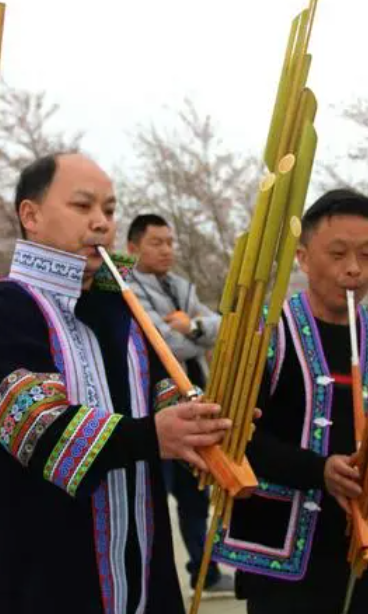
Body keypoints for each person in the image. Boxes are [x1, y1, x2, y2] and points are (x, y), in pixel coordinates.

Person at [0, 152, 233, 613]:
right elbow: (38, 429)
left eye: (108, 210)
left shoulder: (121, 310)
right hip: (42, 581)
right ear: (30, 214)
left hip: (143, 570)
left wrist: (209, 420)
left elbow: (166, 394)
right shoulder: (4, 309)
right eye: (82, 207)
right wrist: (155, 434)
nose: (101, 223)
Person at [211, 190, 368, 614]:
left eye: (367, 255)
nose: (354, 269)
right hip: (282, 563)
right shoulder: (266, 335)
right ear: (302, 257)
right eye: (337, 254)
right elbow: (234, 437)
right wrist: (319, 471)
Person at [126, 214, 234, 597]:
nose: (167, 249)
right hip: (154, 412)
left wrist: (193, 327)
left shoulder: (181, 287)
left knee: (195, 496)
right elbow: (164, 344)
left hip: (194, 402)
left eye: (170, 242)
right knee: (151, 497)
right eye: (157, 242)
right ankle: (149, 581)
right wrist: (193, 333)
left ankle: (205, 572)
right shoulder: (126, 289)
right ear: (133, 248)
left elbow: (219, 327)